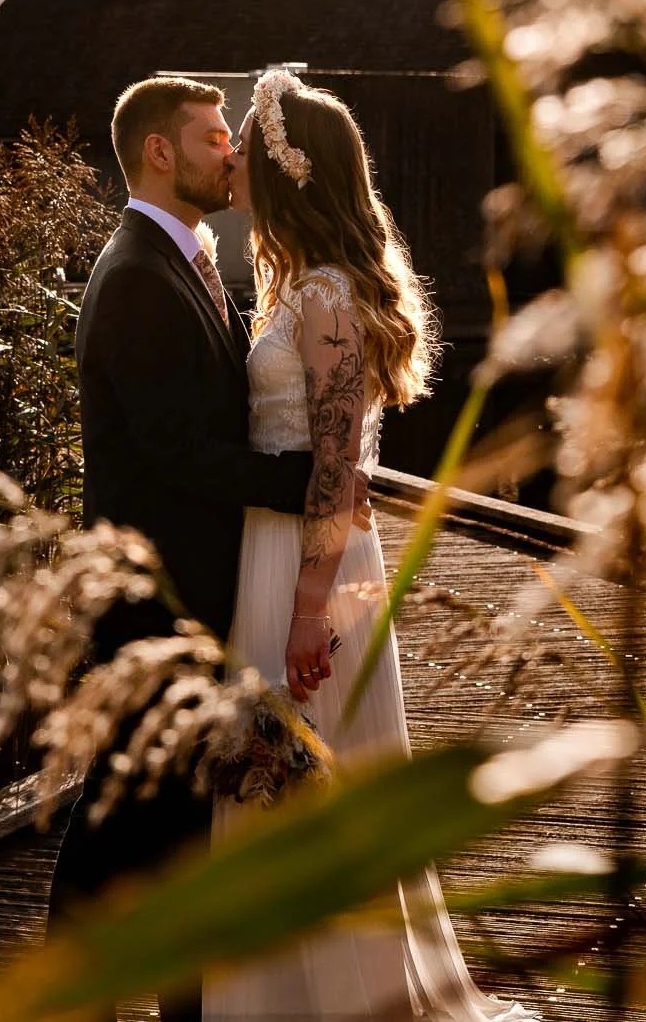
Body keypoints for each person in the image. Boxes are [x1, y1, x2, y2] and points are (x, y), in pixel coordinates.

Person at [203, 70, 537, 1021]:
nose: (229, 164)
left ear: (286, 171)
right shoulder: (302, 285)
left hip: (310, 571)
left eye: (245, 151)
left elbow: (338, 466)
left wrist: (308, 612)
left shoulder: (327, 299)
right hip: (280, 559)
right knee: (277, 781)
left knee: (304, 784)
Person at [54, 75, 367, 1022]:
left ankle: (187, 1006)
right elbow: (174, 451)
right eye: (214, 132)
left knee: (184, 821)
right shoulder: (139, 276)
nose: (232, 148)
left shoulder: (187, 260)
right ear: (162, 151)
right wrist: (310, 481)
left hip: (213, 589)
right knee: (121, 814)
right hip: (155, 598)